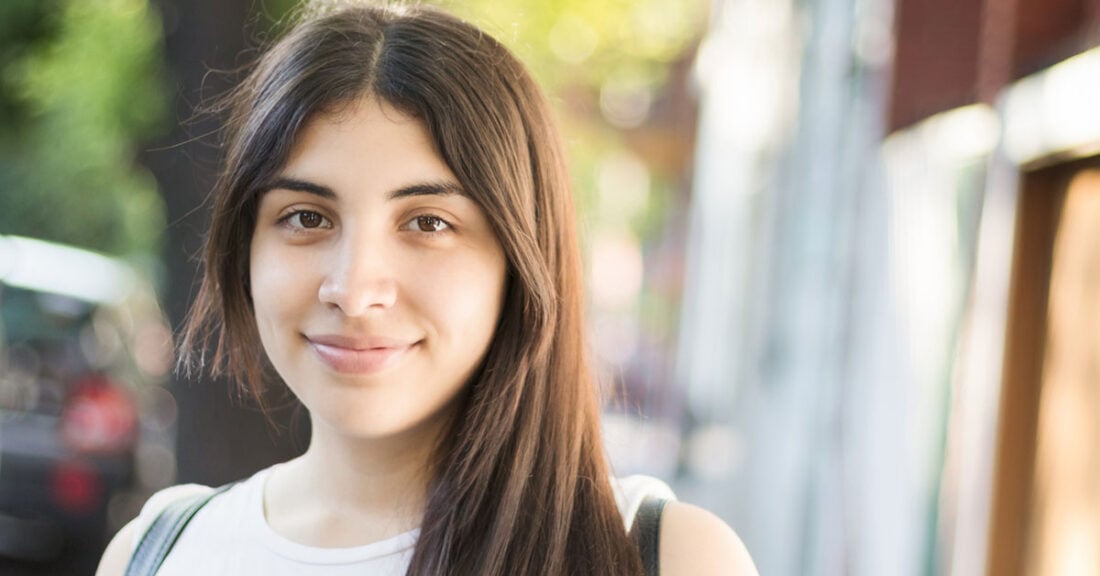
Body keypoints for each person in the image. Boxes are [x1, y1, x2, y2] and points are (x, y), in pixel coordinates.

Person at [97, 2, 757, 575]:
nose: (354, 291)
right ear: (246, 247)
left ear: (521, 262)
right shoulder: (155, 554)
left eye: (428, 222)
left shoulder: (664, 557)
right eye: (306, 218)